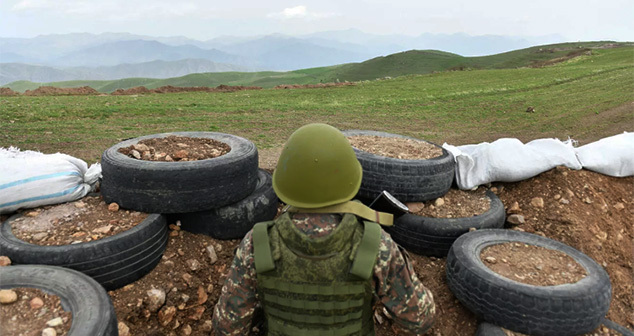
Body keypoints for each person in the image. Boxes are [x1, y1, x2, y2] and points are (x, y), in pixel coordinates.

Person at [212, 123, 436, 335]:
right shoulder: (376, 245)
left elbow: (227, 328)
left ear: (286, 182)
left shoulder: (257, 244)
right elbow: (419, 319)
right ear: (349, 179)